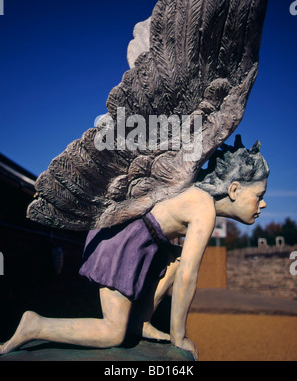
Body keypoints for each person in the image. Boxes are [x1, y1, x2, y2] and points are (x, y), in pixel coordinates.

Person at [0, 136, 269, 360]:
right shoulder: (203, 207)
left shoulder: (197, 195)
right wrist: (179, 336)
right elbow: (189, 275)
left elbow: (181, 264)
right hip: (123, 239)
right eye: (259, 196)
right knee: (112, 333)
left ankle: (141, 321)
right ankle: (35, 326)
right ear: (233, 189)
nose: (263, 204)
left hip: (139, 238)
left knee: (174, 258)